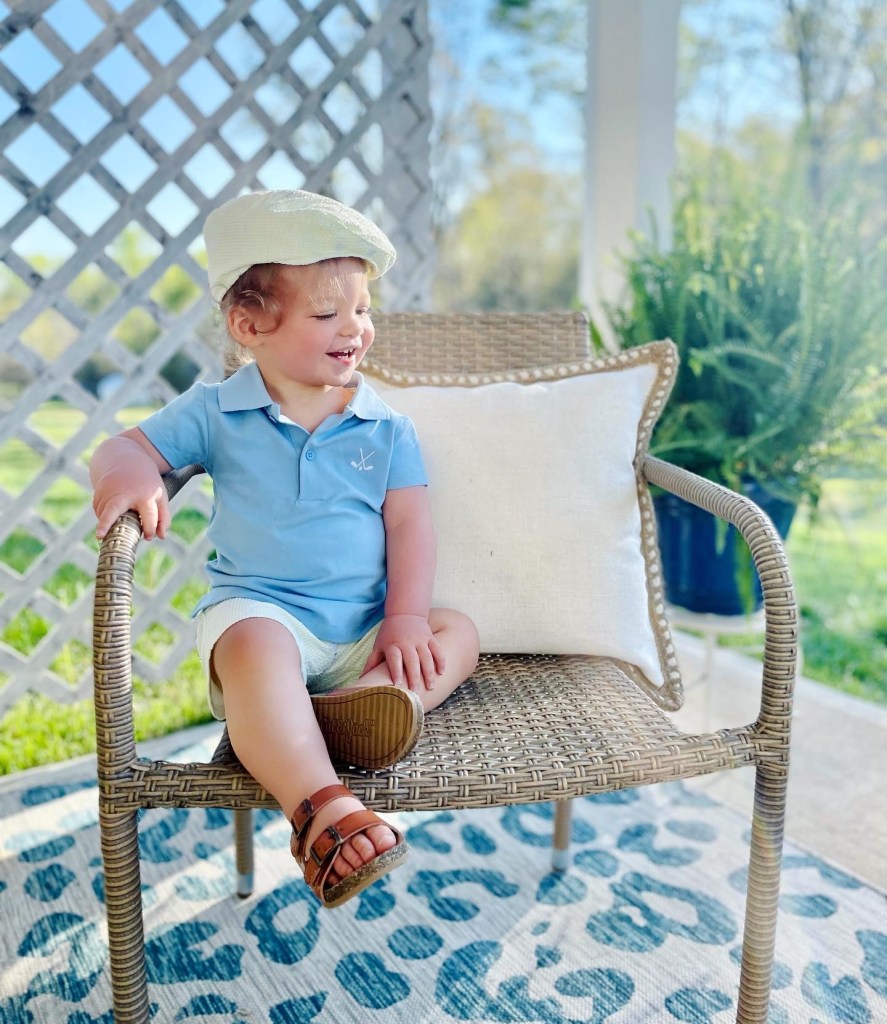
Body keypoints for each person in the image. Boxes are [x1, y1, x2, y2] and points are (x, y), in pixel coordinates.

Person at [90, 189, 480, 909]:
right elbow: (123, 446)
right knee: (253, 645)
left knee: (457, 632)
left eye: (362, 309)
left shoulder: (385, 426)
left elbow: (410, 527)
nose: (355, 328)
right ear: (250, 326)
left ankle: (367, 703)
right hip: (266, 615)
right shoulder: (215, 410)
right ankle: (321, 807)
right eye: (328, 314)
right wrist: (133, 476)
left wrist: (403, 620)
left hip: (364, 631)